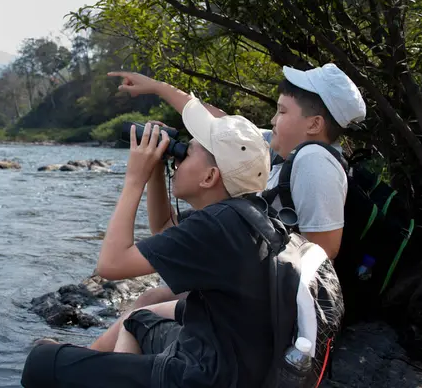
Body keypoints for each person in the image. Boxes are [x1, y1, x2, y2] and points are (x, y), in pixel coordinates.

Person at [88, 64, 365, 352]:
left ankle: (80, 365)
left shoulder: (314, 161)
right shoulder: (282, 151)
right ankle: (86, 362)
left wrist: (250, 268)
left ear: (314, 124)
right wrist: (158, 89)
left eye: (282, 111)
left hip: (267, 302)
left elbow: (323, 251)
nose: (273, 119)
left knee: (143, 310)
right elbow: (221, 124)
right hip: (247, 282)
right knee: (147, 301)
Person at [21, 101, 281, 387]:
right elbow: (164, 230)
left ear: (209, 177)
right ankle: (94, 363)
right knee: (137, 319)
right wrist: (156, 170)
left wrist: (134, 178)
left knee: (40, 363)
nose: (177, 159)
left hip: (206, 375)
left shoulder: (216, 225)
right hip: (230, 360)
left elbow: (111, 265)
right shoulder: (239, 215)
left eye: (187, 152)